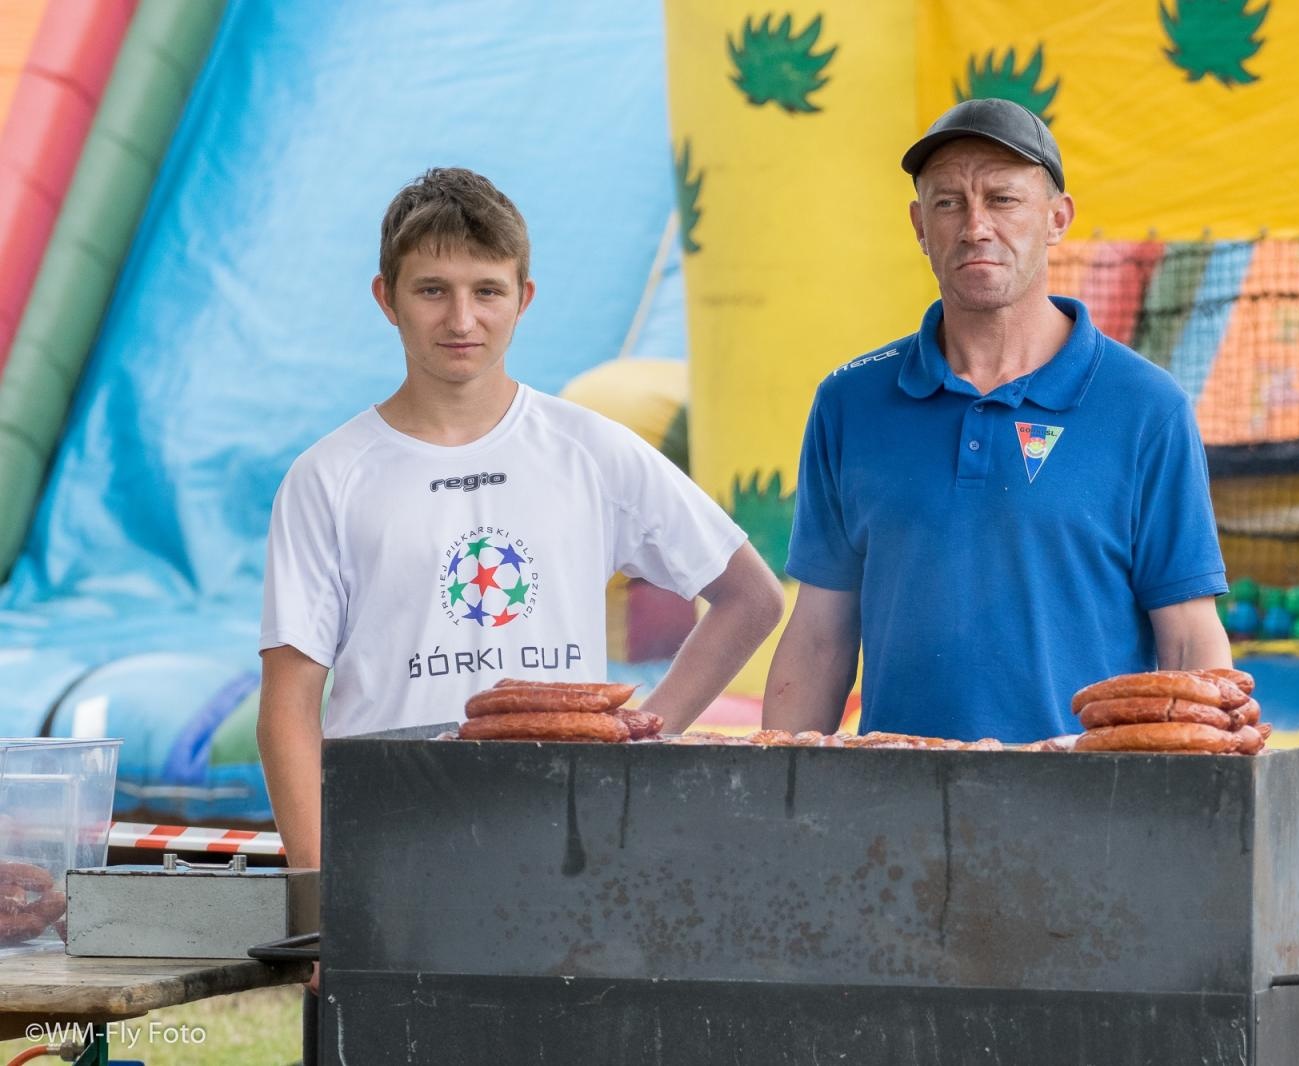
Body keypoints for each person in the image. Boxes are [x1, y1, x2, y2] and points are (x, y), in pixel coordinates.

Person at [256, 168, 784, 1018]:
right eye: (432, 290)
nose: (461, 319)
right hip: (390, 854)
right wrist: (323, 902)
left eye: (486, 291)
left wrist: (641, 735)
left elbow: (750, 598)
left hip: (565, 848)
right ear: (387, 298)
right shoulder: (329, 477)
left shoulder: (590, 451)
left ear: (523, 298)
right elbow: (287, 708)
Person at [762, 99, 1231, 743]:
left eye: (1003, 199)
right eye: (948, 202)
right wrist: (778, 785)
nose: (975, 226)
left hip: (1090, 792)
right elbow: (820, 635)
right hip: (894, 790)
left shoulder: (1147, 407)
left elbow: (1188, 639)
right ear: (919, 225)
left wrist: (1206, 782)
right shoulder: (849, 402)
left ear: (1057, 218)